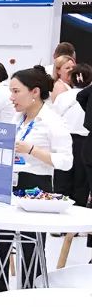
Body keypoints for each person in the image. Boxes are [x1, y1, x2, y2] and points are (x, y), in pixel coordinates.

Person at [0, 67, 72, 292]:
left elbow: (66, 161)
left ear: (34, 92)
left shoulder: (52, 121)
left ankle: (29, 298)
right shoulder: (18, 118)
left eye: (16, 91)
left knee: (30, 249)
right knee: (0, 245)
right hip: (9, 183)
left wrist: (32, 150)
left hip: (36, 187)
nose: (11, 97)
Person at [53, 63, 91, 206]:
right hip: (85, 142)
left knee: (62, 179)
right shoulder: (89, 96)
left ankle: (58, 209)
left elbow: (55, 118)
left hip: (64, 141)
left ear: (72, 78)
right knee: (81, 184)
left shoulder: (63, 97)